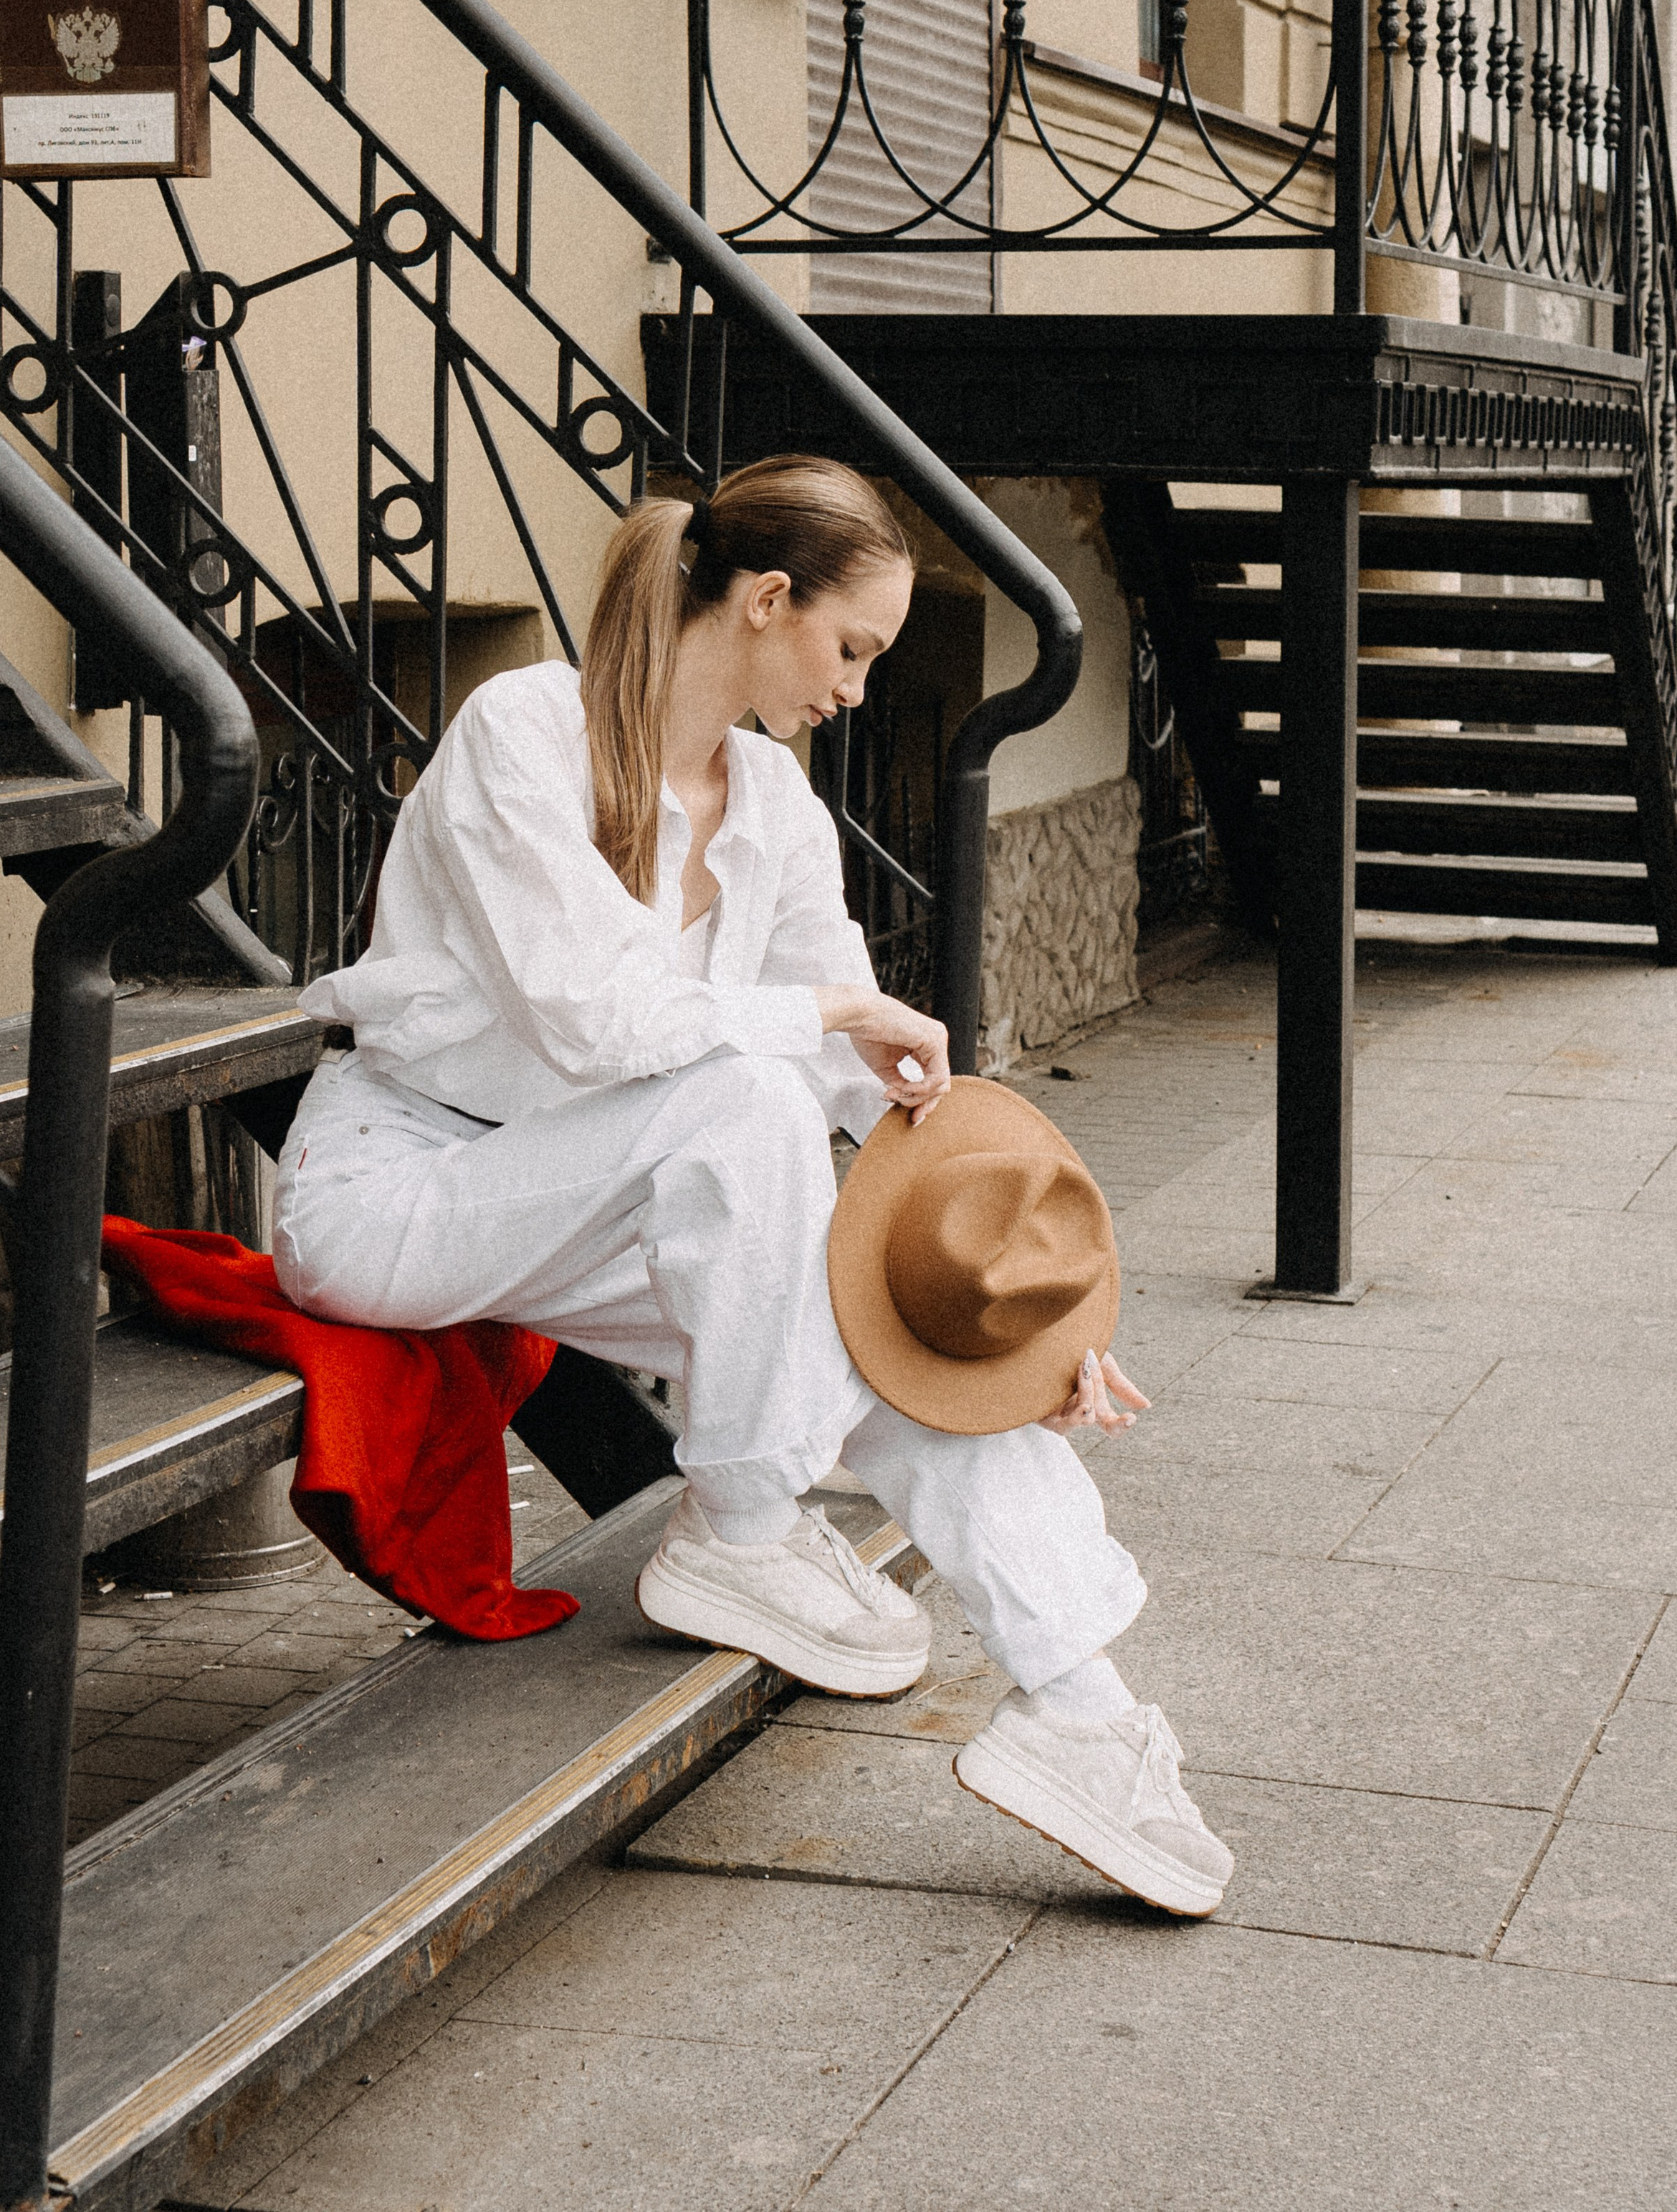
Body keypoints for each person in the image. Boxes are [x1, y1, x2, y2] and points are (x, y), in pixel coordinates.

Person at [277, 456, 1232, 1917]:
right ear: (766, 599)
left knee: (887, 1337)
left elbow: (868, 1089)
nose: (855, 689)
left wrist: (1019, 1326)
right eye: (849, 649)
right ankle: (738, 1521)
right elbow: (596, 1023)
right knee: (743, 1096)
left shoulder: (772, 802)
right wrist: (828, 1026)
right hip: (406, 1188)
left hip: (629, 1201)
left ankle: (1081, 1714)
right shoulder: (521, 731)